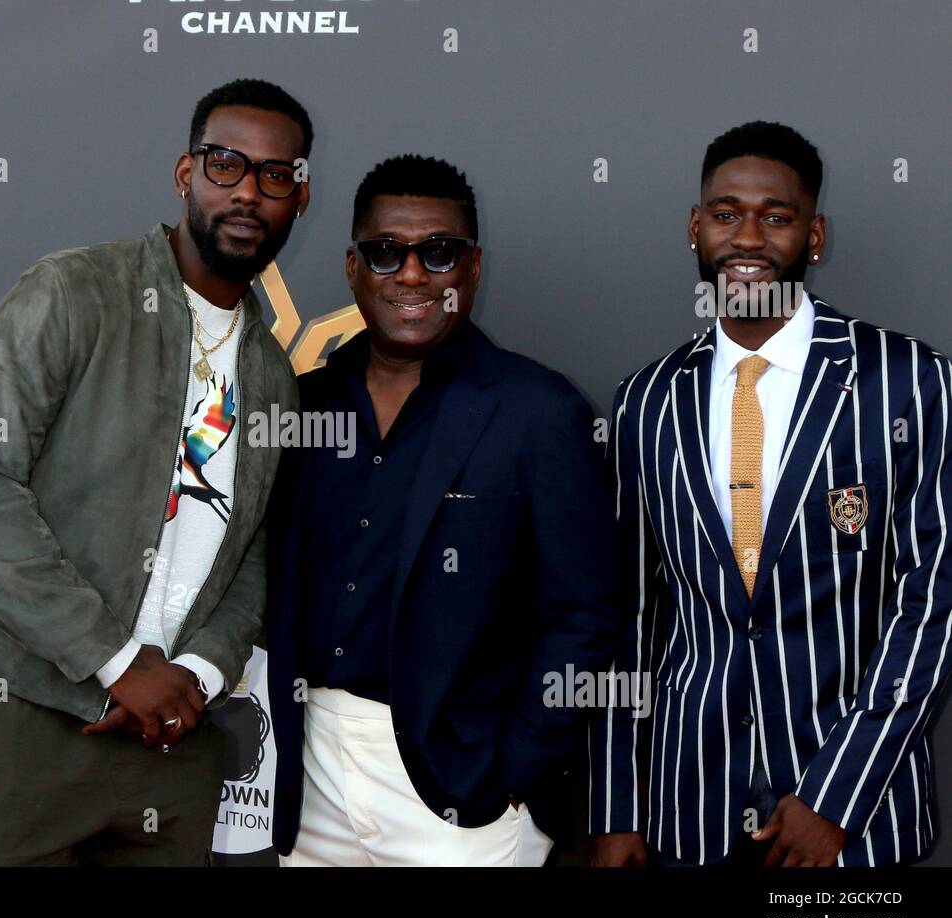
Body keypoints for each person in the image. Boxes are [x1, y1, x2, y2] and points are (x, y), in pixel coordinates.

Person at [0, 78, 307, 866]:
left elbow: (254, 557)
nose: (248, 192)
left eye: (276, 176)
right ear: (185, 173)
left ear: (298, 201)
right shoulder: (72, 292)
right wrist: (114, 661)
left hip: (175, 744)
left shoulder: (273, 372)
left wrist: (196, 676)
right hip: (27, 718)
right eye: (226, 164)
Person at [590, 121, 952, 867]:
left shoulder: (908, 381)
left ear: (813, 236)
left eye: (776, 217)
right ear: (697, 227)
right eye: (725, 214)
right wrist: (619, 806)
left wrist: (838, 797)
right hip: (686, 813)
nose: (747, 237)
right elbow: (623, 618)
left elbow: (932, 602)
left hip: (853, 821)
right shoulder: (646, 400)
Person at [268, 155, 618, 866]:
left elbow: (584, 614)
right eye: (387, 252)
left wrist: (516, 769)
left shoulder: (539, 411)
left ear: (474, 269)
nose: (413, 275)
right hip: (306, 777)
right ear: (352, 267)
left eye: (439, 252)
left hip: (463, 788)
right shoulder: (302, 401)